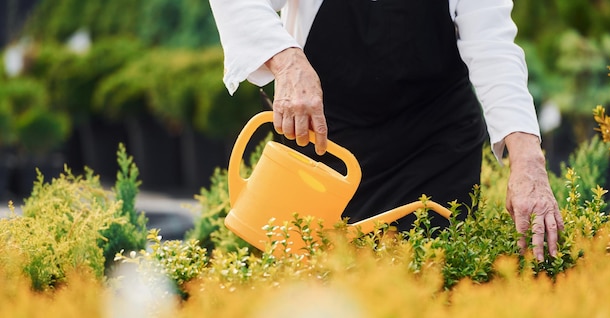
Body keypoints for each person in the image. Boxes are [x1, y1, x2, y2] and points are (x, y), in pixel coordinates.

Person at [208, 0, 564, 261]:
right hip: (324, 141)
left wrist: (528, 160)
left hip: (433, 144)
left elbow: (493, 46)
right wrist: (286, 61)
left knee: (432, 281)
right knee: (312, 288)